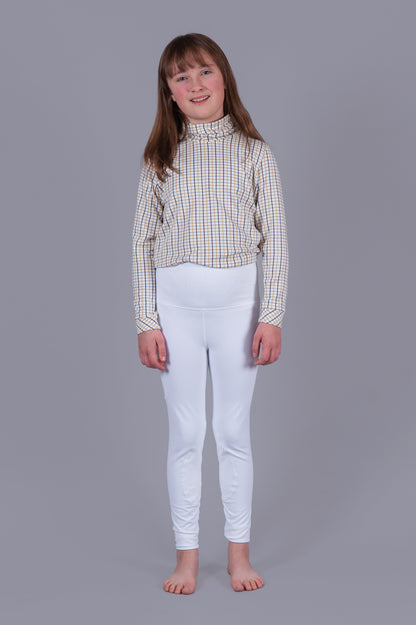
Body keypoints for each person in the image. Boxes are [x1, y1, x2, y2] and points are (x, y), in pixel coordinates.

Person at [131, 32, 289, 594]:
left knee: (231, 429)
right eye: (182, 77)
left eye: (204, 72)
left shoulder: (255, 153)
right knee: (186, 432)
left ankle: (239, 555)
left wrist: (271, 315)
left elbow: (276, 241)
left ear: (224, 78)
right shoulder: (160, 157)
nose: (195, 84)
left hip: (236, 310)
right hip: (174, 308)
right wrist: (146, 321)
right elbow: (141, 244)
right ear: (169, 92)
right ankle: (187, 558)